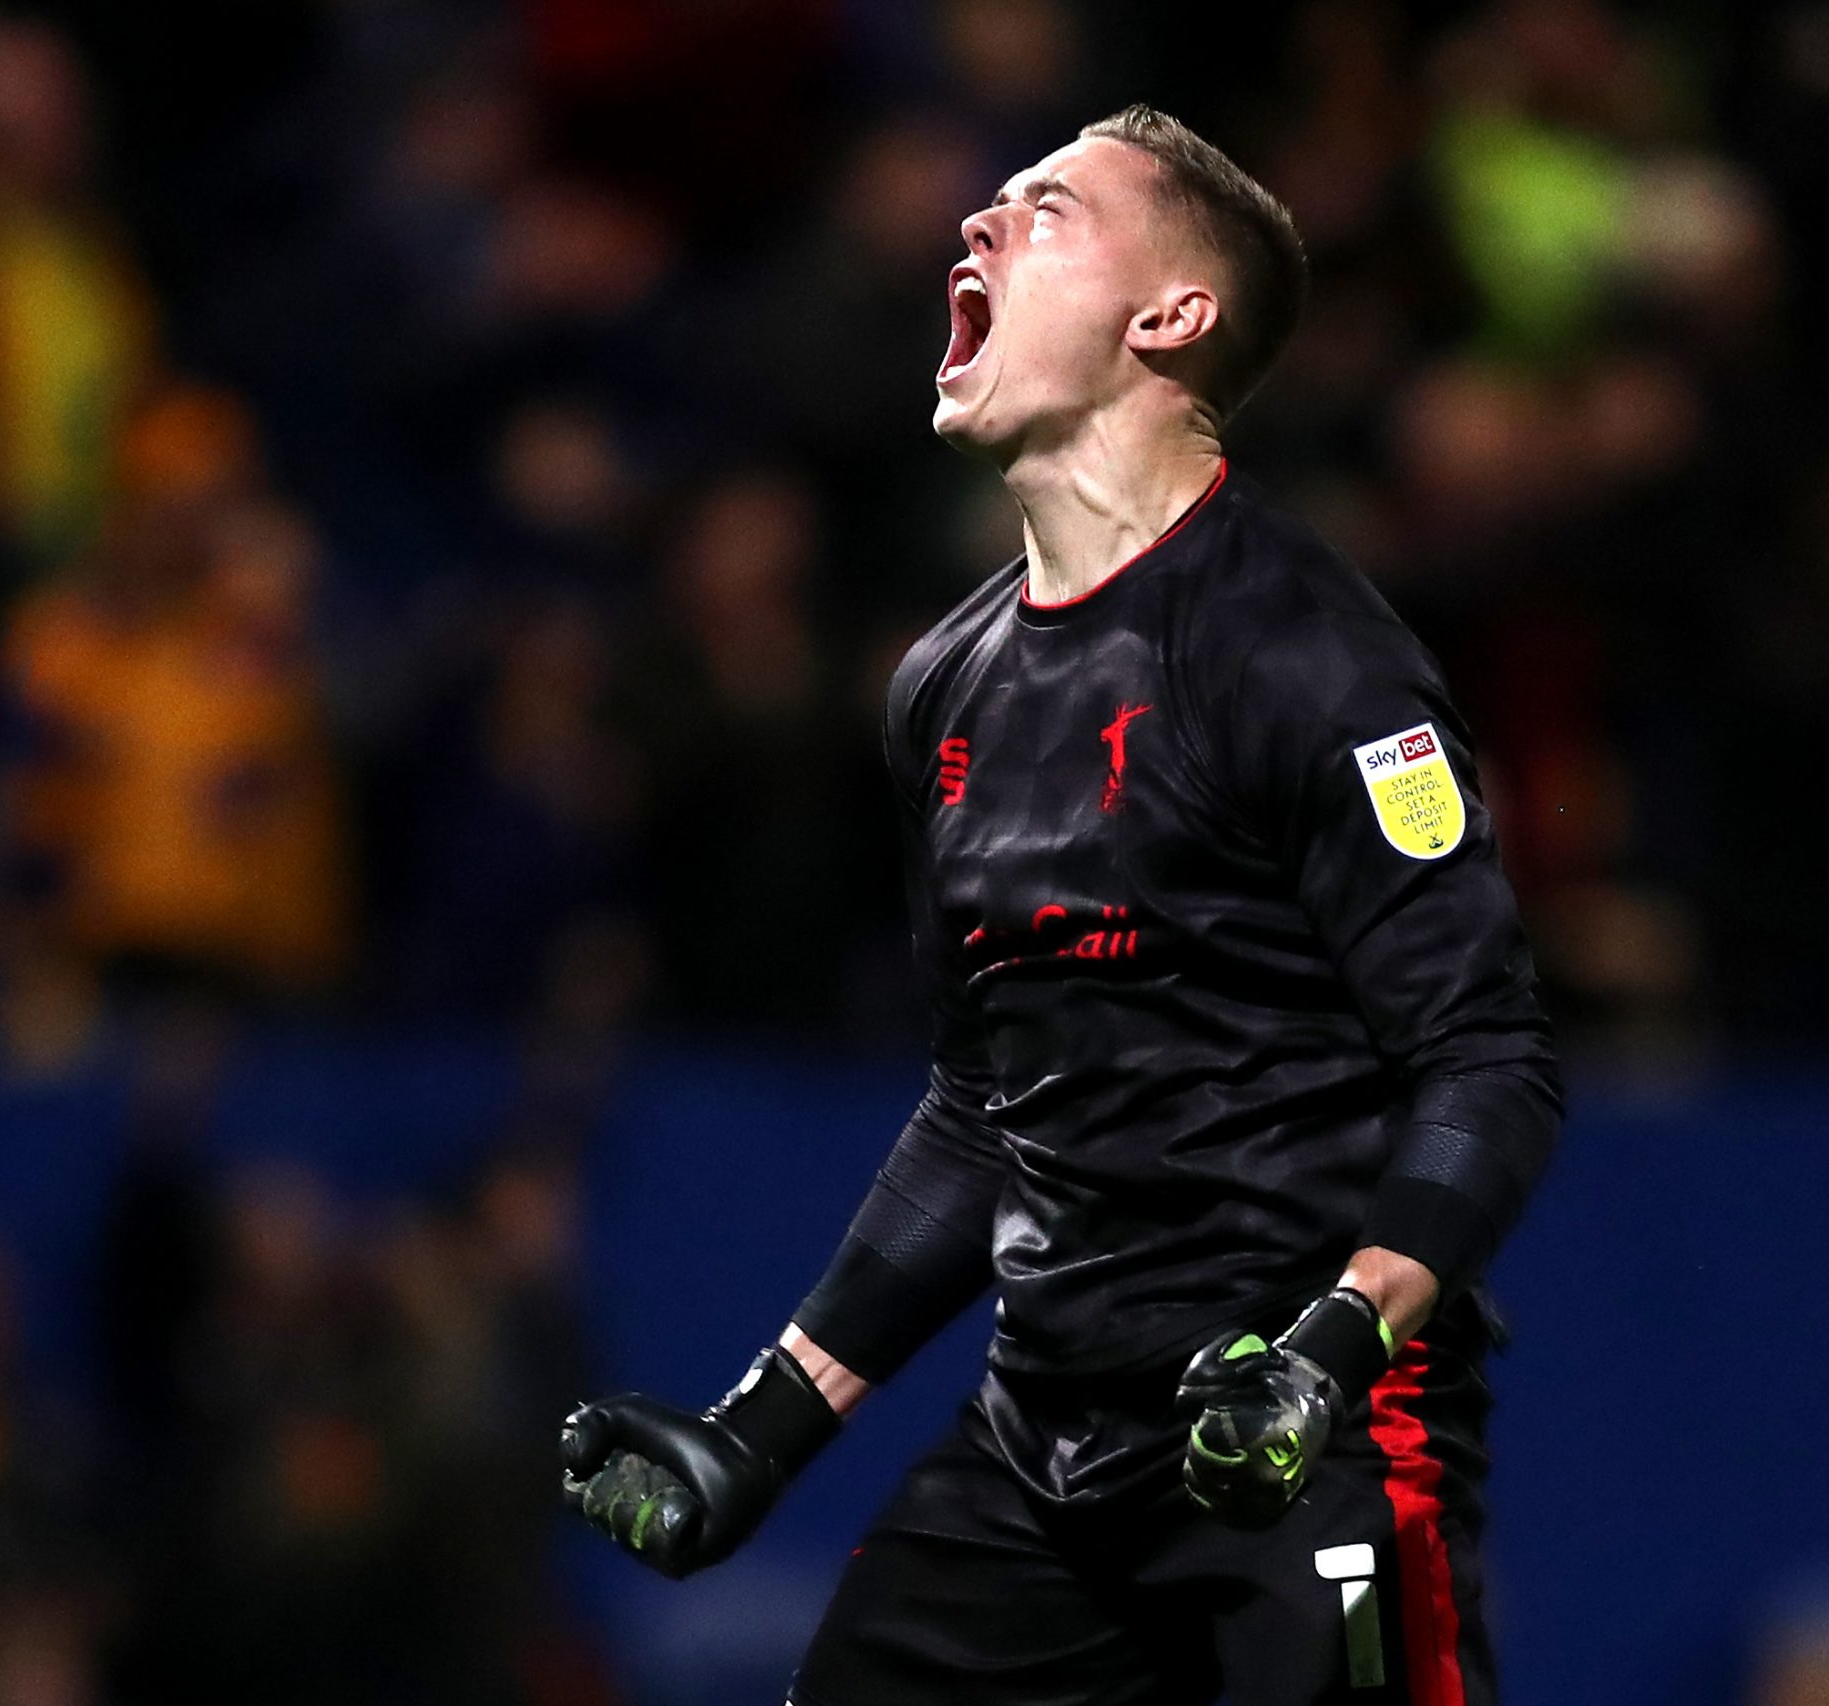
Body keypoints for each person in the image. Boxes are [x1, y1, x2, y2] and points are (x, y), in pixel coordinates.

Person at [560, 105, 1562, 1705]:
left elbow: (1490, 1060)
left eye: (1047, 210)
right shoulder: (939, 691)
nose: (977, 224)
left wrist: (1333, 1342)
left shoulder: (1309, 653)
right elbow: (985, 1106)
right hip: (1046, 1444)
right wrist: (770, 1420)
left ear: (1170, 319)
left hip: (1304, 1432)